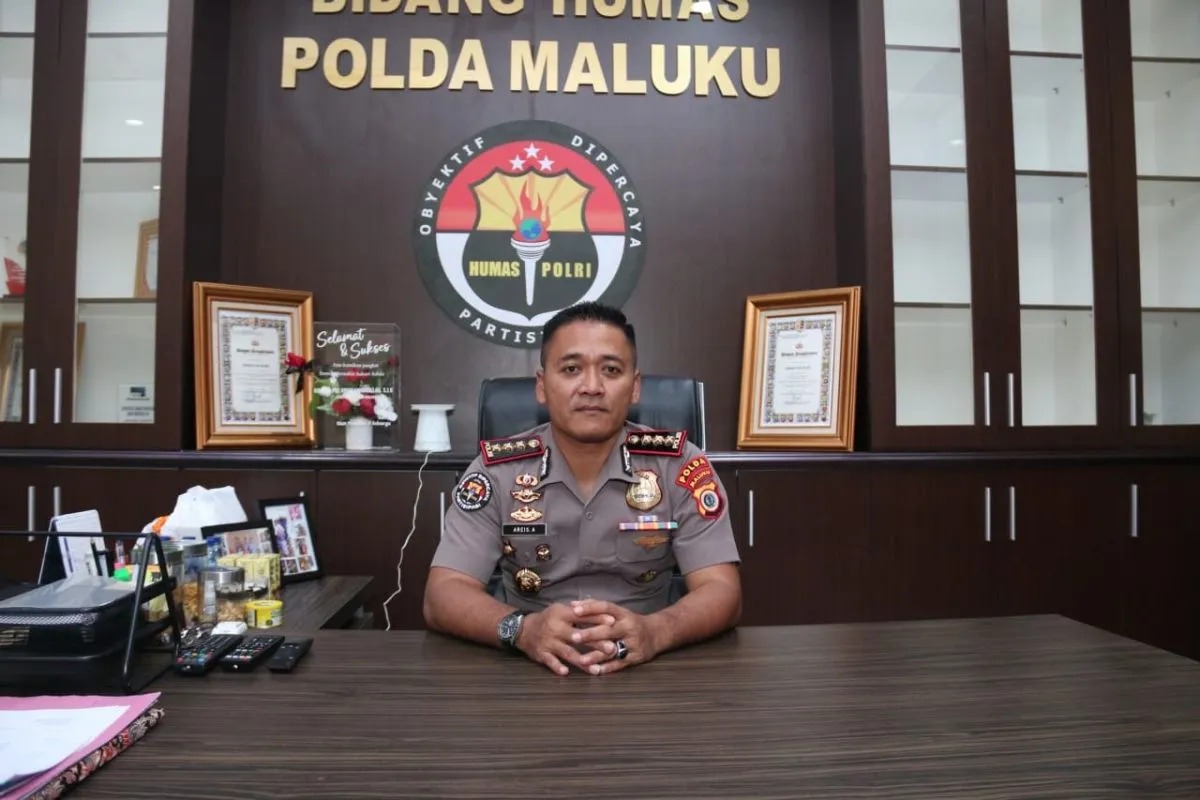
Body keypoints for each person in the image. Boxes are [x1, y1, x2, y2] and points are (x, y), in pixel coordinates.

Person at [424, 302, 741, 676]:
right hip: (524, 666)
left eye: (611, 370)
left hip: (650, 664)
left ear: (635, 387)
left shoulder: (681, 466)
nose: (592, 387)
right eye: (571, 369)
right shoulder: (497, 471)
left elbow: (722, 590)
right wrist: (522, 630)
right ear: (542, 386)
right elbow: (443, 593)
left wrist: (656, 632)